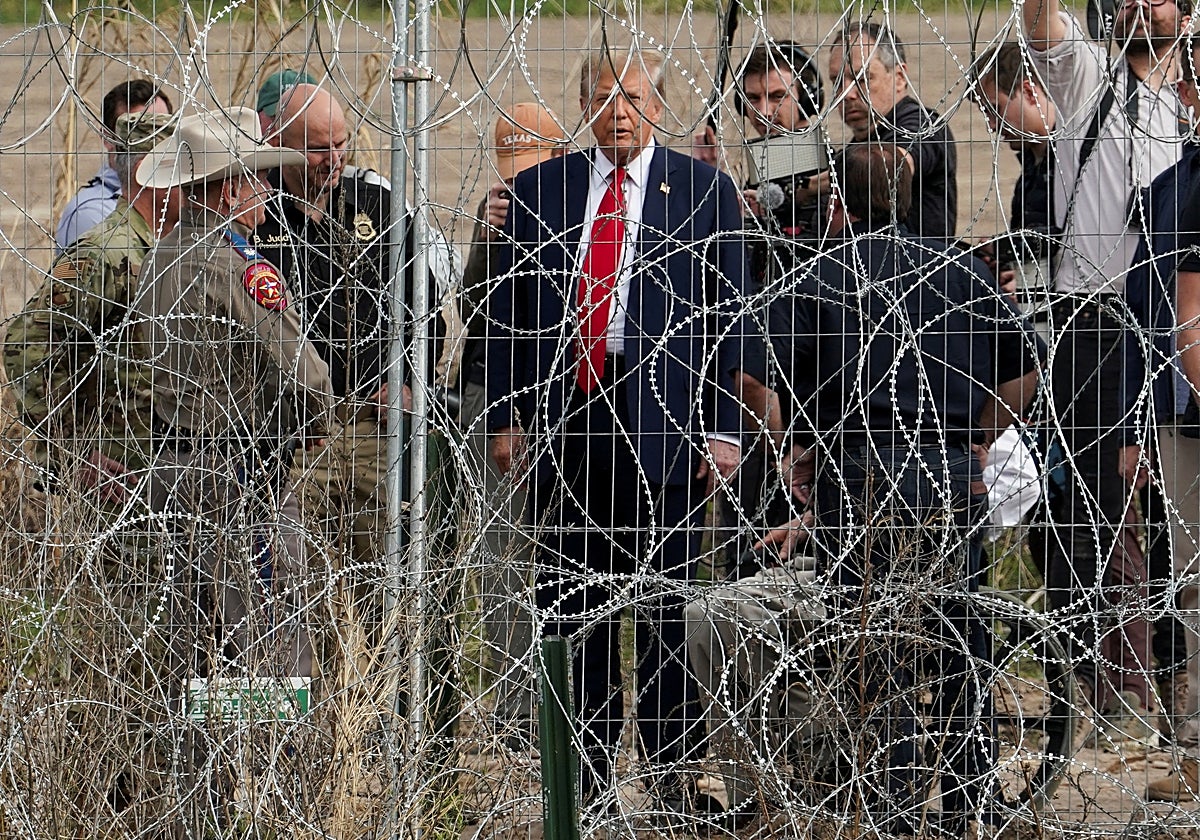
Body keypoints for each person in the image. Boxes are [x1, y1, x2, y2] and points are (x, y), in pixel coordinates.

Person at [737, 142, 1044, 835]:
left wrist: (797, 441)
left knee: (878, 650)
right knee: (958, 639)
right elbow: (1025, 373)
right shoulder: (961, 270)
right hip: (945, 471)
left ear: (839, 202)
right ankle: (970, 804)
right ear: (909, 198)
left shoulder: (825, 273)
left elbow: (755, 377)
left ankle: (892, 810)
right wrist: (976, 434)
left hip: (862, 471)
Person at [486, 49, 750, 817]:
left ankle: (669, 783)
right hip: (572, 417)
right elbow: (509, 317)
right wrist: (506, 414)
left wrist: (725, 429)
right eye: (605, 99)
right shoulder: (541, 191)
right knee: (578, 609)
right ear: (584, 105)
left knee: (665, 612)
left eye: (633, 99)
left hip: (666, 416)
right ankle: (588, 787)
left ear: (658, 109)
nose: (620, 113)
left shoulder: (702, 192)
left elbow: (730, 315)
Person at [132, 106, 331, 826]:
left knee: (193, 649)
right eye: (255, 182)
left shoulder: (158, 258)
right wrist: (312, 430)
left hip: (170, 475)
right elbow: (307, 377)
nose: (267, 196)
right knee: (276, 646)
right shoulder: (242, 268)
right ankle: (286, 800)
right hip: (243, 478)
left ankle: (199, 803)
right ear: (225, 191)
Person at [1020, 0, 1190, 742]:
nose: (1138, 3)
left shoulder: (1190, 105)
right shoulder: (1091, 75)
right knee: (1086, 507)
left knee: (1168, 512)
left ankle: (1166, 681)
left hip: (1176, 317)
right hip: (1089, 318)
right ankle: (1099, 691)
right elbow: (1039, 25)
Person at [3, 110, 179, 821]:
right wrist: (73, 454)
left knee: (160, 660)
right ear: (147, 175)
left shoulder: (158, 249)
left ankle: (145, 797)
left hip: (155, 486)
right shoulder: (111, 254)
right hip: (114, 496)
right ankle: (102, 802)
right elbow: (23, 346)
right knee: (118, 663)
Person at [458, 102, 567, 747]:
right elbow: (477, 312)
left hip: (563, 397)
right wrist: (493, 240)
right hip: (489, 395)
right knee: (503, 556)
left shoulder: (579, 208)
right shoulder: (498, 214)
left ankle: (563, 694)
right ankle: (519, 704)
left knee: (561, 553)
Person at [1123, 35, 1200, 799]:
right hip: (1179, 414)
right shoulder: (1171, 191)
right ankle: (1191, 756)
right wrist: (1139, 421)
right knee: (1189, 587)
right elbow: (1156, 318)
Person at [827, 22, 958, 239]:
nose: (846, 94)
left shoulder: (922, 125)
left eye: (862, 78)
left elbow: (891, 166)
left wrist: (805, 187)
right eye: (837, 82)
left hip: (917, 269)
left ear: (898, 77)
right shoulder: (862, 143)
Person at [56, 79, 174, 252]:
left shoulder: (180, 198)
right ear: (107, 138)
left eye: (162, 130)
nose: (154, 144)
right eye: (140, 133)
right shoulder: (89, 212)